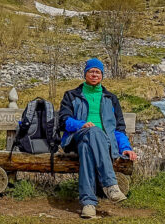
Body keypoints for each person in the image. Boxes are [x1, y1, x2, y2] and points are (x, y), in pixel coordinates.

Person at [58, 58, 138, 218]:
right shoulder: (72, 95)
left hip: (101, 143)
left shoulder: (111, 98)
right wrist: (81, 124)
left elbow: (118, 129)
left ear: (102, 75)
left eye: (98, 72)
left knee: (88, 147)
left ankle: (88, 204)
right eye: (91, 71)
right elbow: (63, 120)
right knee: (92, 132)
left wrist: (126, 148)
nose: (94, 74)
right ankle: (110, 184)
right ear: (85, 74)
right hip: (77, 137)